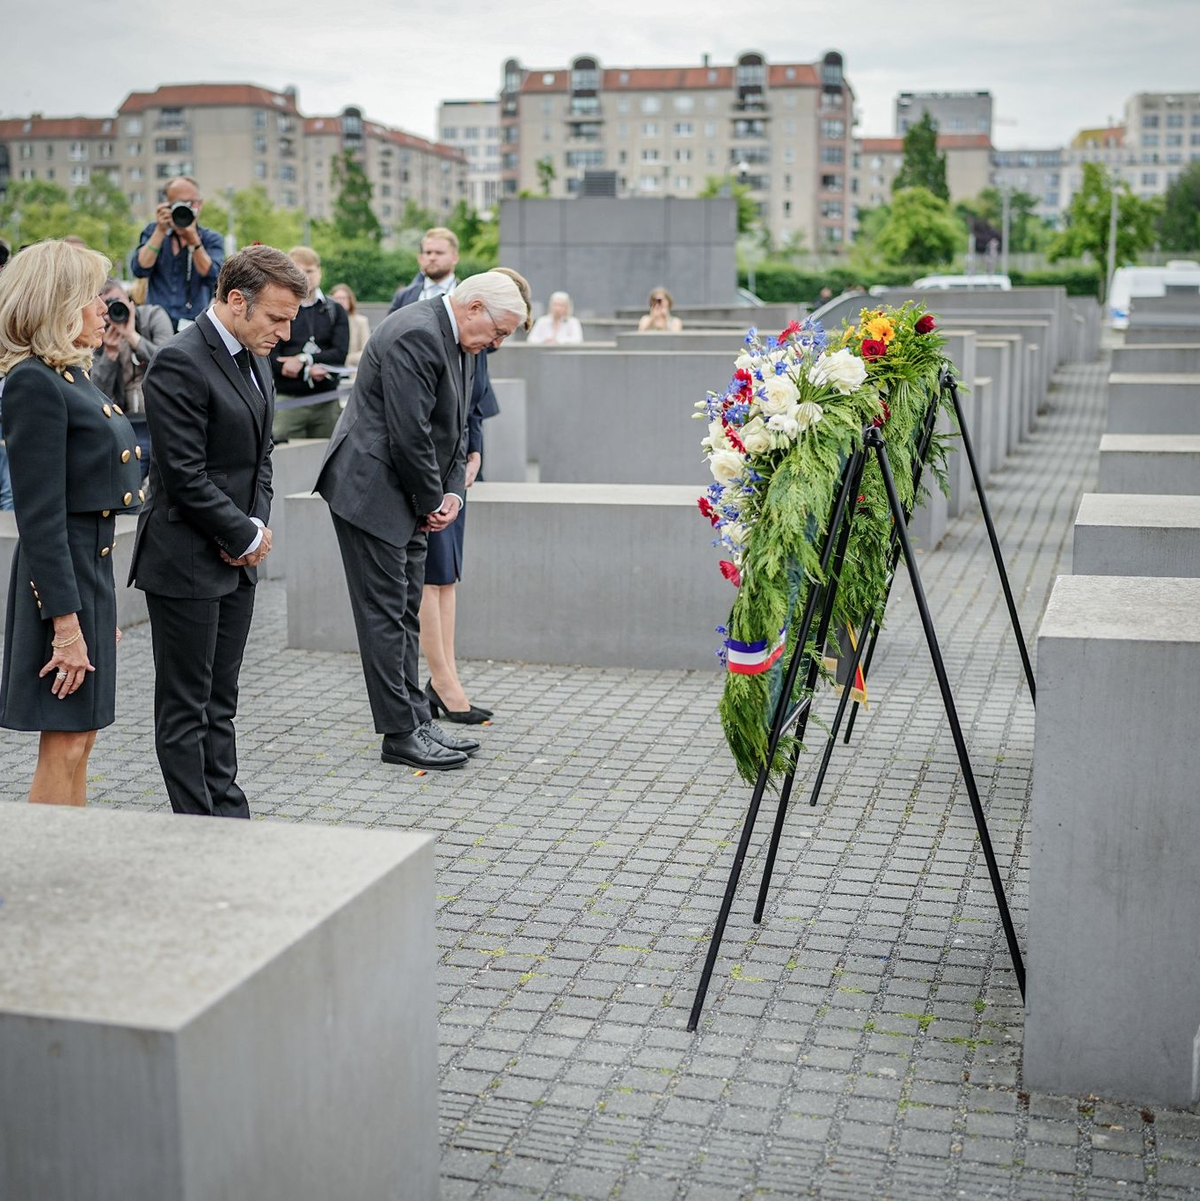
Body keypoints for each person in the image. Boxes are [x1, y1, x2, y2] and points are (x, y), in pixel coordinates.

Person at [315, 271, 525, 769]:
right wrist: (434, 500)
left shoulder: (463, 343)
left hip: (409, 492)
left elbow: (452, 429)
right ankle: (399, 734)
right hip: (372, 491)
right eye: (499, 331)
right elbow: (409, 432)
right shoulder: (416, 332)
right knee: (386, 617)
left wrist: (451, 493)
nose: (497, 343)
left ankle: (417, 719)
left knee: (405, 611)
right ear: (473, 307)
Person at [129, 245, 307, 817]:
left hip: (234, 556)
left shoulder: (254, 356)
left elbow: (262, 456)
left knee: (220, 700)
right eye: (276, 318)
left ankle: (229, 814)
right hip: (184, 558)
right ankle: (198, 826)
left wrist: (254, 525)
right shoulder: (180, 360)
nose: (283, 332)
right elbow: (182, 474)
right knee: (187, 705)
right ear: (236, 300)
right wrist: (243, 536)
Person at [0, 240, 143, 804]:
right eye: (92, 297)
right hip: (58, 578)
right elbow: (41, 517)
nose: (104, 309)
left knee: (81, 735)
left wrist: (90, 604)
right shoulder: (35, 381)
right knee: (64, 742)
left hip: (87, 572)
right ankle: (38, 885)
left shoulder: (69, 375)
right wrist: (65, 622)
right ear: (58, 304)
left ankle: (68, 872)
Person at [91, 278, 173, 482]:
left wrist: (133, 337)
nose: (114, 310)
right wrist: (109, 355)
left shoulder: (152, 316)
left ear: (129, 300)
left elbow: (171, 363)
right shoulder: (98, 333)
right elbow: (95, 393)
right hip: (125, 423)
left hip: (160, 419)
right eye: (107, 307)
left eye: (117, 302)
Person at [269, 247, 349, 442]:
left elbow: (339, 354)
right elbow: (268, 353)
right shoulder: (277, 307)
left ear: (319, 272)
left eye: (310, 271)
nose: (305, 276)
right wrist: (286, 366)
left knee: (327, 462)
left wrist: (304, 360)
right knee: (283, 463)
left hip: (326, 401)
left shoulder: (335, 310)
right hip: (288, 401)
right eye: (299, 270)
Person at [130, 175, 225, 331]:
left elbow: (214, 276)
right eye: (180, 203)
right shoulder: (153, 232)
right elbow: (139, 269)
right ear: (167, 204)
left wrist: (194, 241)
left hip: (195, 325)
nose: (186, 208)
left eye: (191, 203)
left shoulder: (210, 238)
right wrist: (160, 231)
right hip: (156, 324)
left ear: (200, 204)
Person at [330, 282, 370, 367]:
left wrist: (342, 358)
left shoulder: (361, 322)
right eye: (336, 299)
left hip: (353, 371)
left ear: (350, 300)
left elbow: (366, 352)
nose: (340, 302)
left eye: (343, 298)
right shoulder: (327, 322)